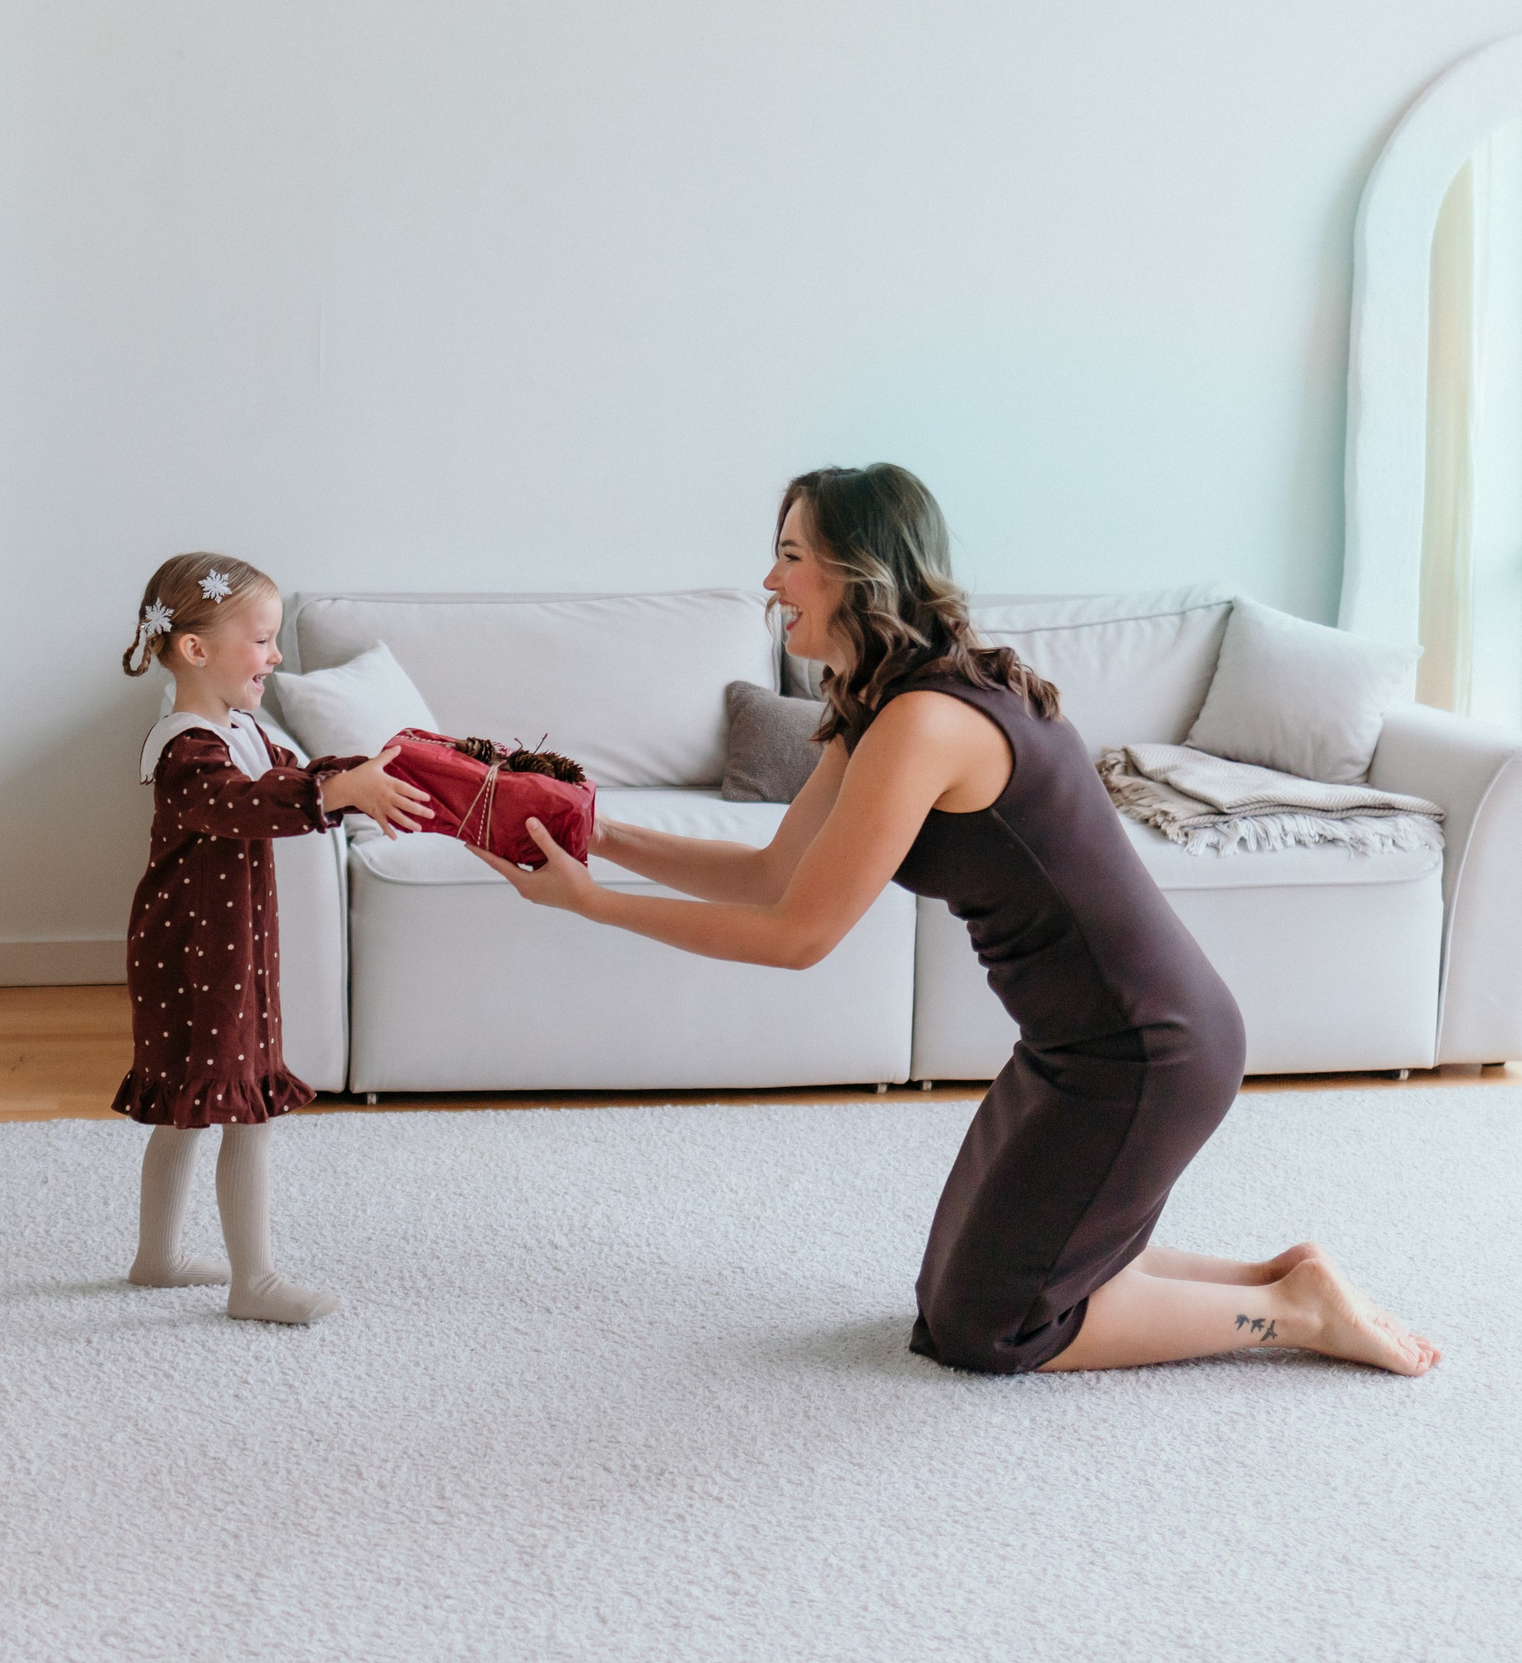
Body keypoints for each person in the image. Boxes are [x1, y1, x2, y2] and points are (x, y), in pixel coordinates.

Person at [471, 466, 1440, 1377]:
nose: (770, 580)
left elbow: (798, 935)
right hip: (1075, 1046)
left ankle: (1296, 1315)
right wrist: (586, 830)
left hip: (1146, 1050)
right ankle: (1284, 1277)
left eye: (791, 554)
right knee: (944, 1305)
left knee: (990, 1329)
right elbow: (773, 873)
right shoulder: (882, 705)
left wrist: (591, 906)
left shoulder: (925, 721)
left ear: (860, 570)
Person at [117, 552, 434, 1324]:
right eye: (262, 640)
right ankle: (251, 1280)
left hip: (223, 948)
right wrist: (333, 793)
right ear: (196, 650)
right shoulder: (187, 747)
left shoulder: (244, 728)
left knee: (189, 1107)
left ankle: (154, 1257)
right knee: (241, 1113)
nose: (276, 655)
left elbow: (297, 772)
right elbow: (241, 805)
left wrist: (359, 773)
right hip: (198, 956)